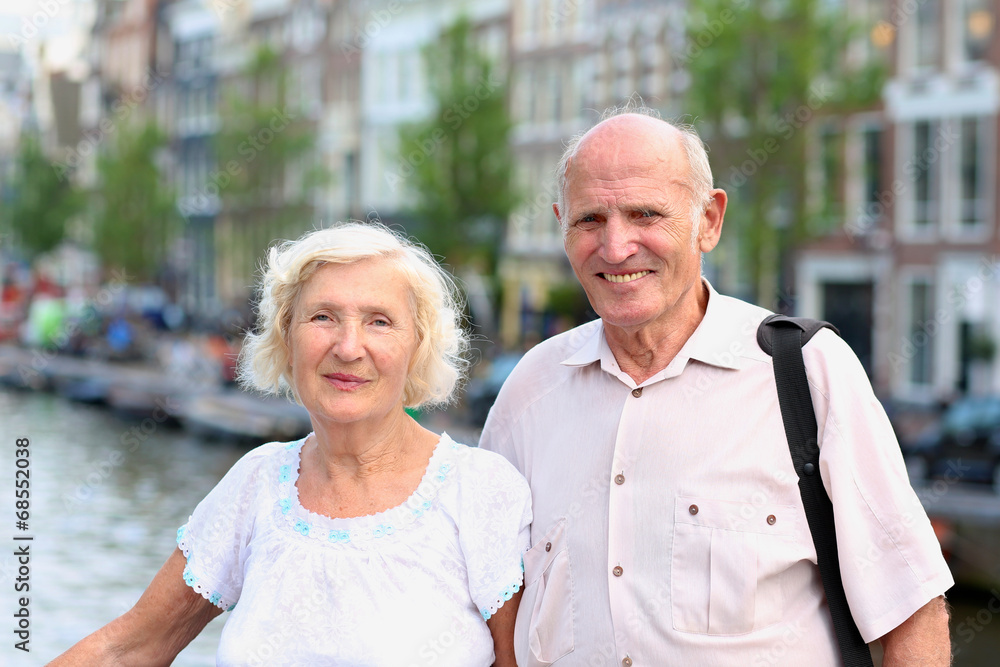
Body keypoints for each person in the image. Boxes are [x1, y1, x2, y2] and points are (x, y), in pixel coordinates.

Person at [479, 107, 953, 666]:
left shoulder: (805, 375)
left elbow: (908, 613)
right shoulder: (529, 393)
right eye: (589, 221)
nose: (615, 246)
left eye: (645, 214)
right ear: (561, 226)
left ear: (709, 219)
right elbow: (495, 615)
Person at [52, 223, 531, 666]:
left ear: (418, 345)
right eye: (323, 317)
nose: (348, 347)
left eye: (379, 322)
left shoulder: (479, 490)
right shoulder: (257, 482)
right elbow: (133, 647)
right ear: (287, 337)